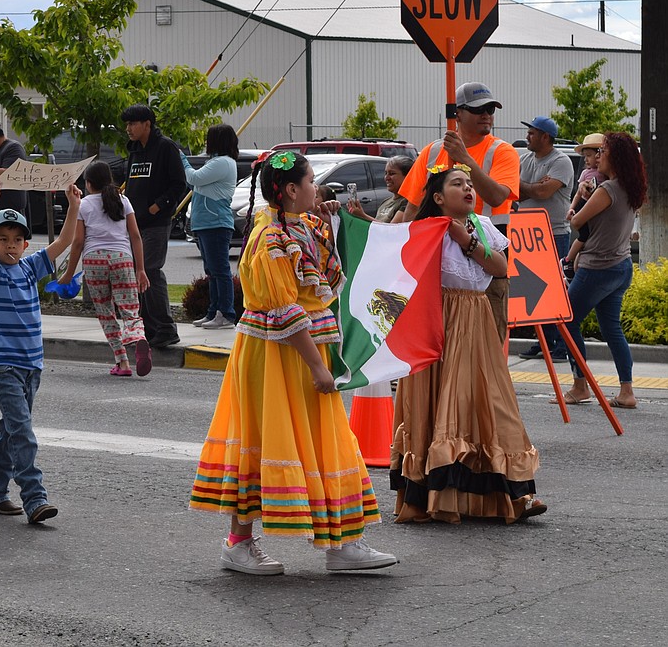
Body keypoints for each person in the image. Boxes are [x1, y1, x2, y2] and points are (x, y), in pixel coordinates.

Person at [189, 150, 396, 575]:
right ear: (288, 190)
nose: (315, 189)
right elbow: (282, 309)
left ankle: (342, 542)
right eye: (309, 183)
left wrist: (329, 219)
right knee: (266, 439)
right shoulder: (270, 239)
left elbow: (325, 278)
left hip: (301, 350)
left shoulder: (301, 225)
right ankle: (239, 542)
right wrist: (318, 367)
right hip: (276, 355)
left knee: (326, 439)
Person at [390, 165, 544, 524]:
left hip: (475, 320)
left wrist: (467, 240)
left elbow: (501, 267)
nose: (469, 189)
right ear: (439, 197)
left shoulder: (482, 227)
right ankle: (442, 493)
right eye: (458, 184)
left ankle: (514, 493)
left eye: (470, 184)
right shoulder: (424, 231)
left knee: (492, 401)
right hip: (436, 321)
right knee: (444, 401)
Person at [0, 178, 81, 523]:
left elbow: (64, 241)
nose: (11, 245)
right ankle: (35, 497)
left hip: (31, 364)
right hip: (2, 363)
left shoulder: (30, 267)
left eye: (17, 239)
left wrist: (73, 203)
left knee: (11, 430)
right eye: (2, 239)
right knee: (22, 432)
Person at [401, 82, 519, 340]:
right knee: (441, 348)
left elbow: (497, 195)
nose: (487, 114)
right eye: (479, 109)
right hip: (439, 268)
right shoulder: (432, 152)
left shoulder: (502, 151)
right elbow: (411, 208)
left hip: (486, 263)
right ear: (458, 114)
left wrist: (465, 159)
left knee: (486, 350)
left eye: (491, 109)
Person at [557, 132, 646, 410]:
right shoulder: (632, 189)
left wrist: (581, 200)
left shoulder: (607, 190)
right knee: (612, 328)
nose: (598, 157)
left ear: (615, 157)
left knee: (567, 320)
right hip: (621, 267)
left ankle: (580, 384)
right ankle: (626, 391)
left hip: (597, 268)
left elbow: (575, 222)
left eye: (603, 151)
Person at [57, 161, 150, 378]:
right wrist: (141, 269)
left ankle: (122, 362)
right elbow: (135, 236)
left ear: (88, 184)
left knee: (106, 313)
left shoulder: (84, 205)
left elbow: (78, 242)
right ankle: (139, 338)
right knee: (129, 308)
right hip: (122, 259)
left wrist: (69, 273)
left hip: (94, 261)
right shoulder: (123, 200)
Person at [122, 104, 186, 349]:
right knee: (137, 273)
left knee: (149, 270)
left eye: (133, 124)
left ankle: (166, 328)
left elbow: (179, 184)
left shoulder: (166, 147)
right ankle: (147, 330)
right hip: (135, 224)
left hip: (156, 223)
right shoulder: (135, 150)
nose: (128, 129)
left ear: (147, 123)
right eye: (127, 125)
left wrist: (156, 207)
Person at [516, 116, 574, 361]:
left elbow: (543, 192)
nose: (528, 136)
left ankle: (560, 345)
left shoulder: (561, 161)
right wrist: (531, 186)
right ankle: (545, 342)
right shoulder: (524, 159)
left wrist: (525, 186)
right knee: (534, 292)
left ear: (546, 137)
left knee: (555, 289)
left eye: (532, 133)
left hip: (554, 232)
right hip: (526, 233)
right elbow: (511, 188)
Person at [180, 124, 238, 330]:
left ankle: (226, 314)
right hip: (207, 224)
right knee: (212, 271)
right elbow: (196, 184)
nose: (206, 142)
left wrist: (183, 159)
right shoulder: (216, 163)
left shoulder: (223, 162)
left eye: (209, 138)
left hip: (216, 224)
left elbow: (193, 178)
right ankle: (214, 312)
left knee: (220, 270)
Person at [563, 133, 606, 272]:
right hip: (585, 207)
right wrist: (572, 208)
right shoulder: (585, 173)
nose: (586, 159)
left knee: (586, 247)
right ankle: (567, 260)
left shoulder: (607, 174)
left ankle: (572, 272)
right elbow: (577, 194)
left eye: (589, 155)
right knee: (584, 236)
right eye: (585, 156)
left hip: (595, 213)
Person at [346, 155, 414, 224]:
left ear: (407, 176)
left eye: (392, 173)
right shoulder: (385, 202)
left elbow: (392, 230)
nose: (387, 178)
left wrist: (362, 215)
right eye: (385, 173)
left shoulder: (408, 204)